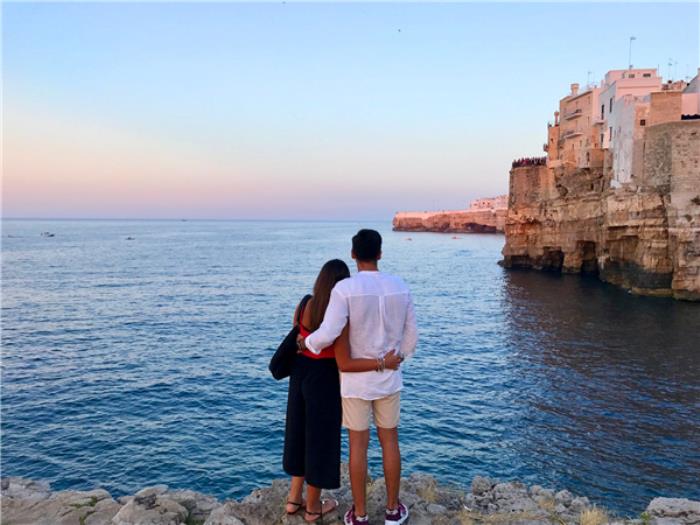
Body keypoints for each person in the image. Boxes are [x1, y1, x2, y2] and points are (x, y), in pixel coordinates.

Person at [298, 230, 418, 525]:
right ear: (380, 253)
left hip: (356, 383)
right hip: (389, 380)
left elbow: (329, 332)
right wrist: (395, 359)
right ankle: (393, 511)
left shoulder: (345, 289)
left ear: (353, 254)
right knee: (390, 442)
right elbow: (411, 337)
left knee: (358, 447)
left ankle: (360, 515)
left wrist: (307, 343)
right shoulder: (400, 286)